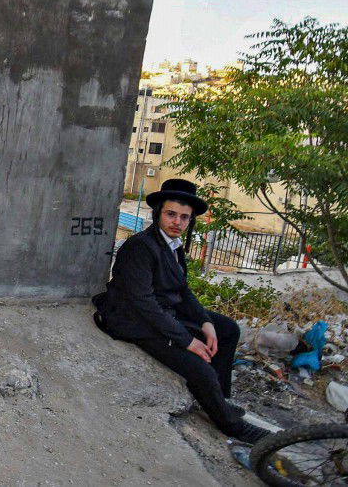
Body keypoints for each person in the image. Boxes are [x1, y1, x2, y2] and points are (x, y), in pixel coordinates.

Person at [92, 179, 271, 444]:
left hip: (164, 313)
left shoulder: (173, 246)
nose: (177, 222)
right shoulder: (140, 247)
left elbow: (183, 290)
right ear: (158, 214)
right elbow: (143, 303)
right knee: (201, 368)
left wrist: (205, 322)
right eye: (171, 214)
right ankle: (231, 425)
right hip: (134, 320)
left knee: (228, 330)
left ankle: (216, 400)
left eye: (184, 217)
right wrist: (186, 340)